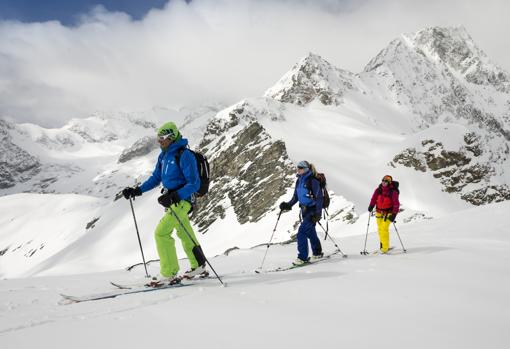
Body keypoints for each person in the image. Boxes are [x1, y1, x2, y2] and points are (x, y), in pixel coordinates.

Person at [122, 122, 207, 284]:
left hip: (182, 201)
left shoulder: (184, 155)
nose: (159, 142)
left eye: (162, 139)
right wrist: (137, 190)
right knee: (184, 233)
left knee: (161, 233)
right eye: (158, 139)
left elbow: (194, 184)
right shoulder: (164, 155)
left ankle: (169, 273)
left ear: (172, 137)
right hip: (172, 201)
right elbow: (156, 178)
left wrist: (175, 196)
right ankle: (199, 265)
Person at [279, 160, 323, 266]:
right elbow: (296, 197)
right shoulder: (299, 181)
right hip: (304, 211)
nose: (298, 169)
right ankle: (317, 252)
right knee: (310, 231)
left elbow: (319, 198)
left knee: (301, 233)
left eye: (300, 168)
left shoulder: (312, 181)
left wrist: (318, 214)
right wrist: (288, 205)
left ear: (306, 169)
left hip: (312, 210)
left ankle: (302, 257)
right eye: (297, 168)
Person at [368, 175, 400, 253]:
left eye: (386, 181)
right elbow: (374, 198)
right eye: (383, 181)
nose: (383, 183)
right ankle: (384, 245)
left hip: (389, 213)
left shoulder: (393, 192)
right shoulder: (378, 190)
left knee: (384, 229)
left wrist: (394, 214)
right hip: (379, 212)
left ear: (389, 183)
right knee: (380, 230)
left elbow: (396, 204)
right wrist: (371, 205)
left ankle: (384, 249)